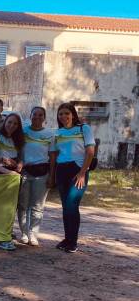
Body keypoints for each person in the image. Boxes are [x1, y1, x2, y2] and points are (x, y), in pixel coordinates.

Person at [52, 102, 95, 254]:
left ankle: (73, 242)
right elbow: (55, 154)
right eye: (60, 114)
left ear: (73, 114)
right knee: (65, 206)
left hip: (78, 169)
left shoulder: (84, 128)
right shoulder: (57, 133)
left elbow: (90, 152)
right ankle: (67, 239)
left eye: (66, 113)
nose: (63, 116)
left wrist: (82, 173)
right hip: (61, 170)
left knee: (72, 204)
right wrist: (52, 176)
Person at [18, 106, 56, 246]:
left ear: (44, 118)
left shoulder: (50, 134)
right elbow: (18, 150)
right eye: (35, 114)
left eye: (41, 115)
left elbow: (52, 157)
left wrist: (51, 176)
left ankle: (33, 234)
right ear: (30, 116)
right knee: (23, 205)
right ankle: (24, 233)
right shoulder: (23, 131)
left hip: (42, 173)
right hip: (25, 172)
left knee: (37, 206)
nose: (37, 117)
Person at [0, 112, 24, 251]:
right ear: (4, 122)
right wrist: (2, 160)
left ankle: (6, 232)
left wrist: (19, 164)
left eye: (15, 123)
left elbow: (20, 159)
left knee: (10, 207)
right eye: (9, 122)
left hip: (13, 176)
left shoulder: (18, 140)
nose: (12, 125)